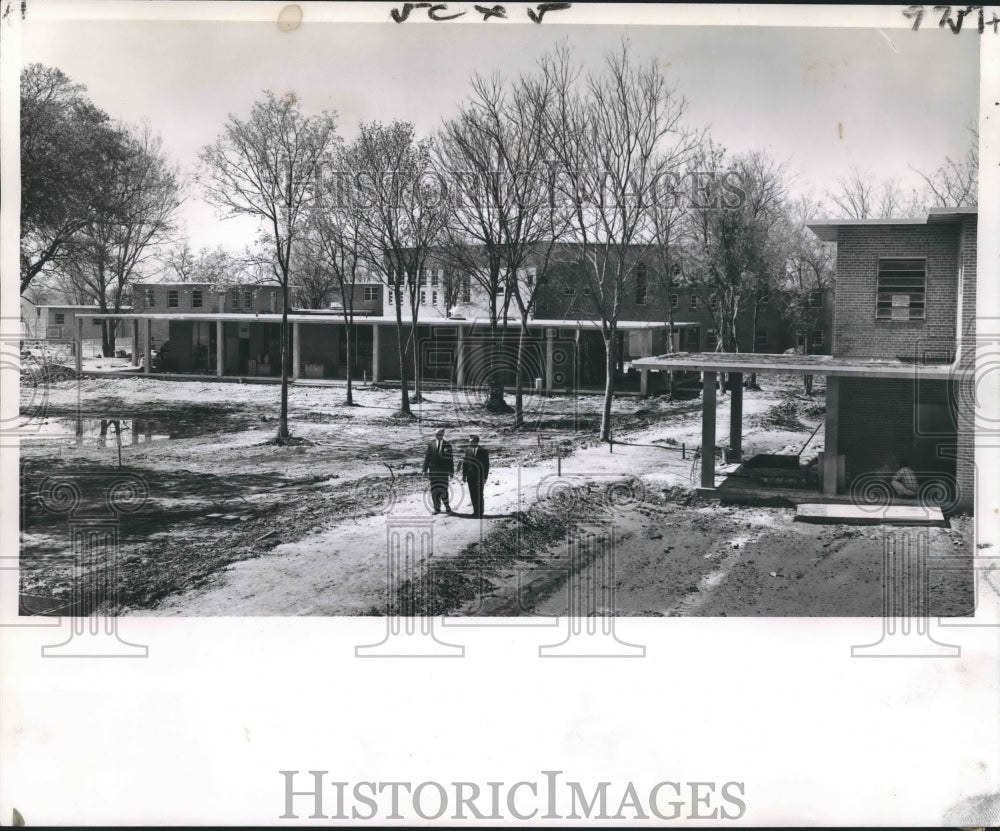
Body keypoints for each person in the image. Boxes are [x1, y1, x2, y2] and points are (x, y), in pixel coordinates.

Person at [422, 427, 454, 514]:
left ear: (443, 435)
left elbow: (450, 459)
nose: (438, 436)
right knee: (434, 490)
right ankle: (437, 508)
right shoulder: (431, 445)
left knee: (444, 489)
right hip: (433, 472)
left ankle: (447, 507)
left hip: (444, 472)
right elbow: (427, 458)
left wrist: (451, 471)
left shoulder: (448, 445)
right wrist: (424, 470)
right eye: (436, 435)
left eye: (440, 434)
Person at [461, 434, 490, 519]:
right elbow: (465, 463)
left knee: (479, 494)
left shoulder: (483, 451)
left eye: (471, 441)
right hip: (470, 477)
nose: (470, 443)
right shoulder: (468, 450)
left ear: (476, 441)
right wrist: (464, 475)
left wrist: (485, 477)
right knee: (472, 494)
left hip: (480, 477)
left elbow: (486, 465)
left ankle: (480, 513)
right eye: (469, 441)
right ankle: (475, 512)